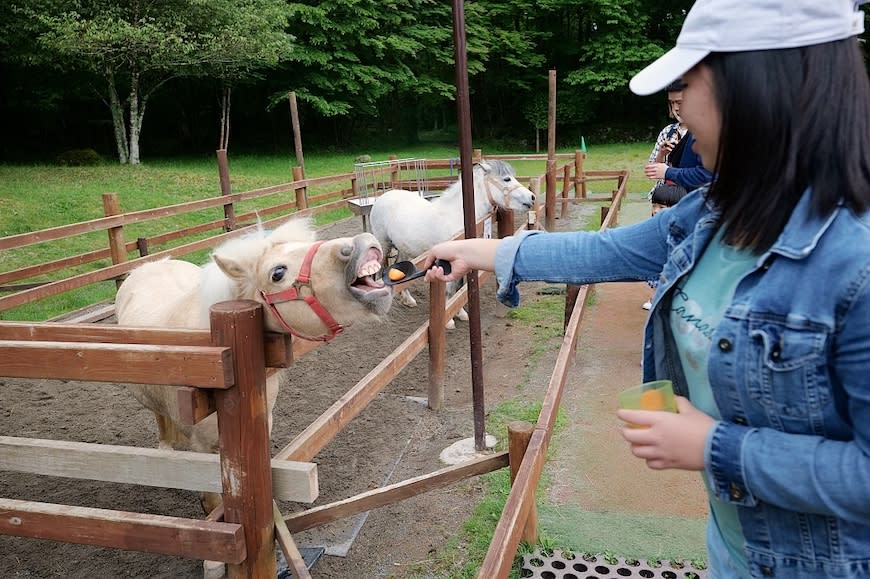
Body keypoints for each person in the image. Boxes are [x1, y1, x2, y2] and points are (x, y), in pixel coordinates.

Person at [422, 1, 870, 577]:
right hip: (735, 551)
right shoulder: (720, 212)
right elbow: (605, 251)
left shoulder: (854, 262)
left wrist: (715, 447)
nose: (678, 114)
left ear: (753, 89)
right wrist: (477, 252)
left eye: (687, 87)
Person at [642, 183, 687, 310]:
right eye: (654, 206)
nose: (656, 210)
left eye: (661, 207)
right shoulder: (655, 224)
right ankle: (656, 297)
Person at [647, 80, 688, 194]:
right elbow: (651, 172)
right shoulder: (667, 132)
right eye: (672, 103)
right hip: (664, 201)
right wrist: (661, 154)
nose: (675, 108)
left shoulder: (705, 133)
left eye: (679, 103)